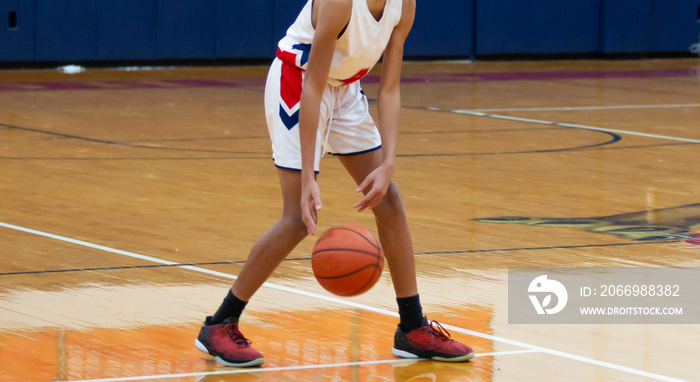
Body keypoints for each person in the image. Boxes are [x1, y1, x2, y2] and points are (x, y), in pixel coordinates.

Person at [194, 0, 474, 366]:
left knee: (388, 199)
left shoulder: (405, 6)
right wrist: (309, 176)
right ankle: (219, 324)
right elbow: (311, 89)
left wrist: (388, 162)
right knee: (296, 218)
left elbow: (389, 90)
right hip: (298, 82)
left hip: (345, 90)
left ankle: (412, 328)